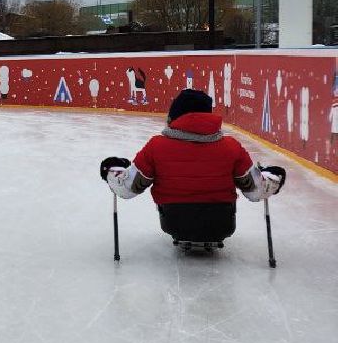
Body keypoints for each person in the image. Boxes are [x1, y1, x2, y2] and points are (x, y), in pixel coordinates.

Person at [101, 88, 285, 244]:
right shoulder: (232, 147)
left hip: (173, 222)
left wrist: (111, 170)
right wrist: (273, 176)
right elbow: (256, 191)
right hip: (221, 224)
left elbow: (127, 189)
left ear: (174, 116)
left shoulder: (156, 146)